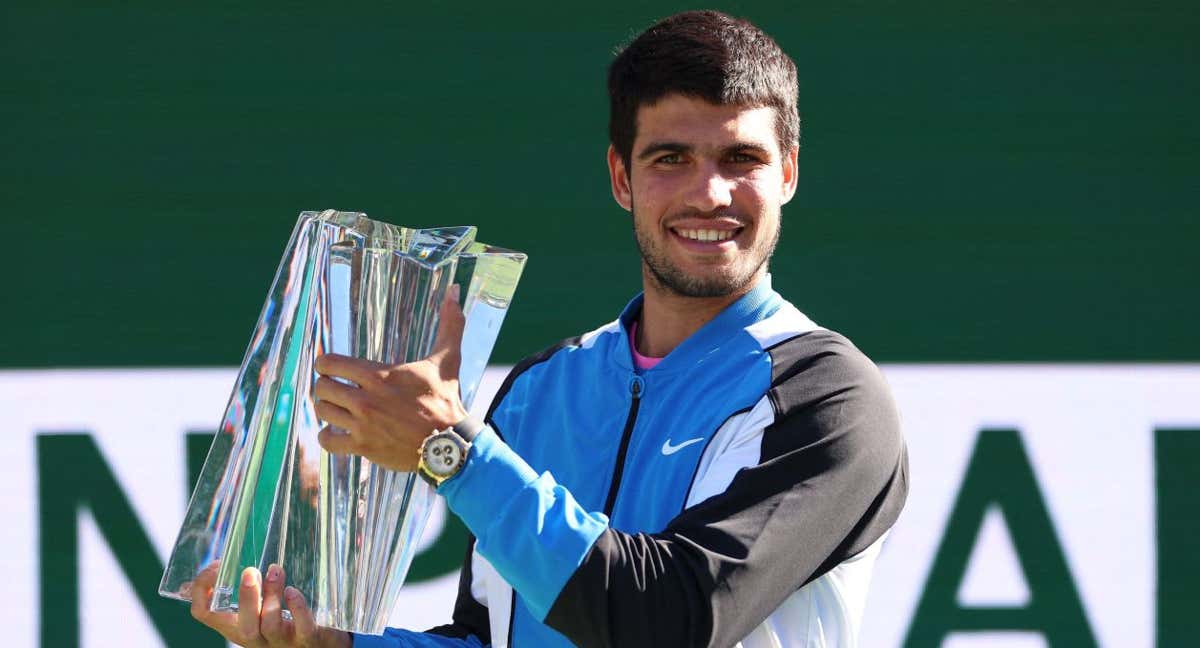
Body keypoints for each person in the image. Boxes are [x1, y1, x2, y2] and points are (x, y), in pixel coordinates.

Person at [190, 10, 908, 647]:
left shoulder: (828, 398)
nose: (709, 193)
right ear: (621, 178)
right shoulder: (541, 389)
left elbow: (671, 620)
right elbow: (488, 640)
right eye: (671, 159)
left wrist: (452, 453)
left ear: (787, 173)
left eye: (741, 158)